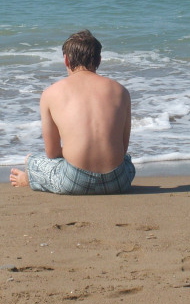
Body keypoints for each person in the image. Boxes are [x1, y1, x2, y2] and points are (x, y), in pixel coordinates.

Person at [10, 30, 135, 194]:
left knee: (32, 160)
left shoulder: (51, 93)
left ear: (66, 60)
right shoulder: (121, 91)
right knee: (127, 161)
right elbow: (122, 149)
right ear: (99, 60)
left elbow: (52, 153)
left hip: (74, 182)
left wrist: (75, 150)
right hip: (118, 181)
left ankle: (28, 179)